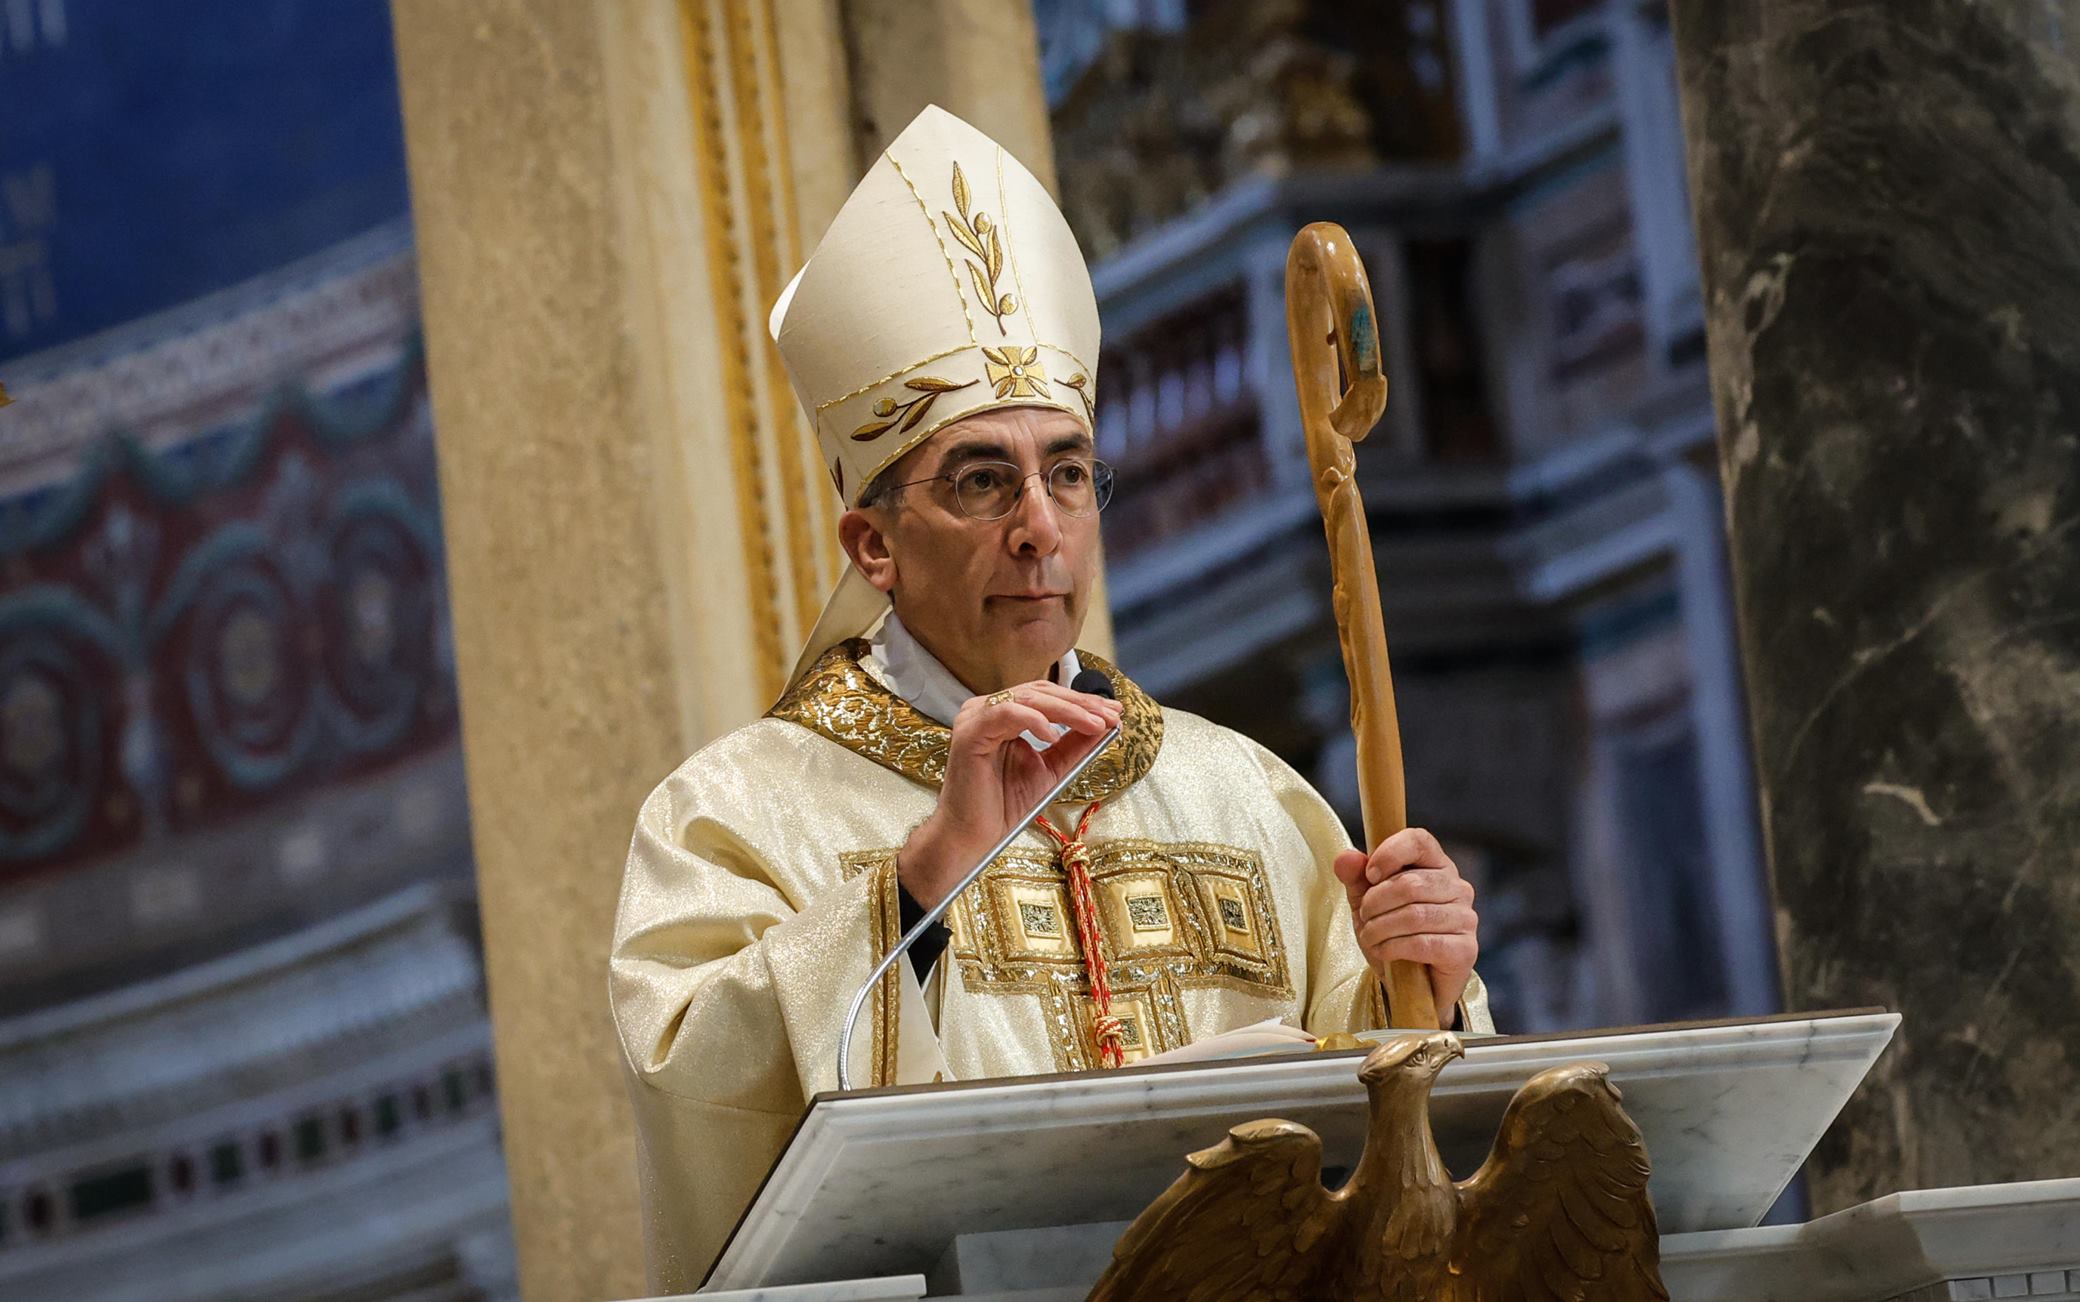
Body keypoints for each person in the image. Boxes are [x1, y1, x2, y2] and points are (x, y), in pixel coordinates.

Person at [608, 105, 1490, 1291]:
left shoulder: (1242, 794)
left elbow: (1394, 1161)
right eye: (983, 480)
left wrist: (1419, 987)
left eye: (1068, 474)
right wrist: (917, 887)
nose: (1040, 528)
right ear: (871, 545)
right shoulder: (731, 816)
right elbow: (695, 1084)